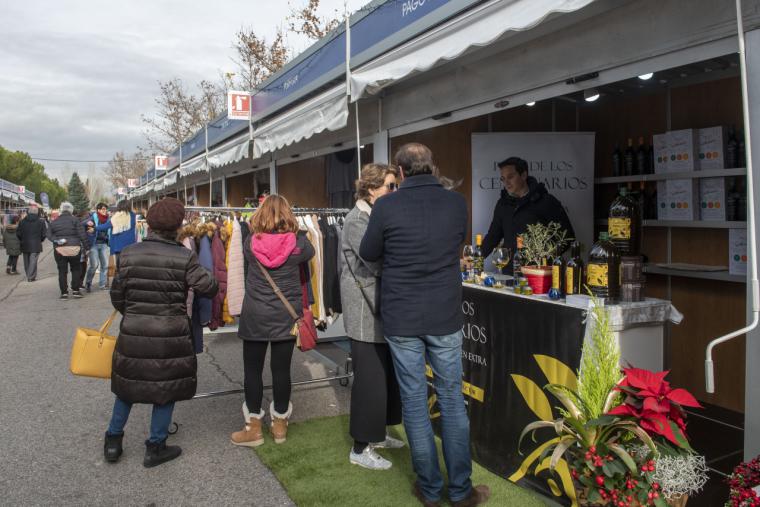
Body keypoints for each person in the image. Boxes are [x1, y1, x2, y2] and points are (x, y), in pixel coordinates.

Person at [360, 143, 490, 507]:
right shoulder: (455, 203)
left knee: (415, 403)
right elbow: (454, 244)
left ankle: (431, 491)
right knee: (452, 399)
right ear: (433, 167)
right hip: (444, 314)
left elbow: (369, 252)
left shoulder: (385, 205)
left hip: (402, 316)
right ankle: (461, 491)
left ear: (400, 172)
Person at [105, 198, 218, 468]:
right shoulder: (184, 256)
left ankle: (113, 441)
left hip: (134, 330)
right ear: (178, 226)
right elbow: (209, 287)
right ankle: (155, 446)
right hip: (170, 334)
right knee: (165, 389)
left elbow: (117, 295)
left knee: (126, 388)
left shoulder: (130, 253)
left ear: (151, 224)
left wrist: (133, 313)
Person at [231, 195, 314, 448]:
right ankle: (279, 426)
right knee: (281, 371)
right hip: (285, 317)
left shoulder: (249, 243)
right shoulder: (299, 245)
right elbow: (309, 250)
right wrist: (294, 228)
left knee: (252, 371)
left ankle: (253, 428)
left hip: (255, 314)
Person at [339, 164, 404, 470]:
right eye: (390, 186)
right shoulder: (356, 220)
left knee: (384, 376)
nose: (394, 192)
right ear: (371, 189)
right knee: (370, 380)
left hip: (380, 306)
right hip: (365, 309)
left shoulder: (373, 216)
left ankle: (377, 434)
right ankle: (360, 447)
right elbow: (376, 260)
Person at [480, 157, 575, 270]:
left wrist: (544, 258)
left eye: (510, 177)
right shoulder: (502, 204)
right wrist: (475, 258)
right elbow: (493, 236)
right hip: (510, 273)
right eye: (503, 178)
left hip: (539, 274)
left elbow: (567, 236)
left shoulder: (546, 201)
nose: (506, 182)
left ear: (524, 175)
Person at [47, 202, 90, 299]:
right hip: (74, 248)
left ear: (61, 210)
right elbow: (82, 234)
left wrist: (56, 240)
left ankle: (64, 293)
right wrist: (87, 248)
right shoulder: (75, 220)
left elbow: (48, 234)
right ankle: (75, 290)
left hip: (59, 249)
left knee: (62, 271)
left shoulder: (54, 221)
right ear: (71, 210)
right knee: (76, 269)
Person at [15, 205, 46, 282]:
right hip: (36, 244)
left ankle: (29, 275)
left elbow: (18, 233)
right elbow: (44, 234)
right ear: (37, 212)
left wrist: (22, 240)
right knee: (33, 261)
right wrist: (40, 240)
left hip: (24, 243)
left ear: (28, 212)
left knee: (26, 261)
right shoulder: (41, 221)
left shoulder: (22, 222)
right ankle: (31, 276)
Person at [84, 203, 111, 291]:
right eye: (103, 209)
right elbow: (82, 224)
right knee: (94, 265)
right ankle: (88, 283)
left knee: (105, 265)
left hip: (104, 244)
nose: (105, 211)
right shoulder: (93, 218)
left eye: (105, 209)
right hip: (94, 244)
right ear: (98, 210)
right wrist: (87, 223)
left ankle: (102, 285)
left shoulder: (108, 219)